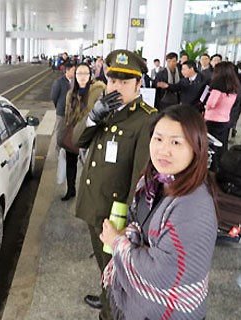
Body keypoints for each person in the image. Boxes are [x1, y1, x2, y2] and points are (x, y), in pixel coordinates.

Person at [100, 105, 217, 319]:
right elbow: (138, 221)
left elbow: (163, 273)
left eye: (176, 142)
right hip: (134, 304)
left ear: (196, 147)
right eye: (158, 138)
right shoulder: (155, 181)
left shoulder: (193, 207)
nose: (163, 150)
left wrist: (118, 242)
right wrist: (132, 237)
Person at [72, 49, 157, 319]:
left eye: (124, 82)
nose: (116, 87)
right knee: (105, 265)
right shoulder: (104, 109)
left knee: (118, 272)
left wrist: (131, 226)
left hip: (115, 215)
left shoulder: (146, 118)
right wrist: (93, 116)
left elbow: (140, 178)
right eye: (112, 81)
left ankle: (109, 313)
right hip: (93, 204)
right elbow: (76, 141)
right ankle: (106, 295)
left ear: (138, 84)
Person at [62, 63, 105, 201]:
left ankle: (88, 194)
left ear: (90, 75)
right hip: (74, 132)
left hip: (90, 133)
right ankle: (70, 189)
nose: (82, 77)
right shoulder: (70, 93)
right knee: (70, 162)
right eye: (79, 73)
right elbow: (67, 114)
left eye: (85, 73)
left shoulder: (98, 90)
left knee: (89, 165)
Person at [204, 61, 240, 171]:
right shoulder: (234, 85)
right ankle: (221, 167)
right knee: (221, 144)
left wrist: (206, 106)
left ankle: (212, 168)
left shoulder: (218, 84)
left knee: (211, 145)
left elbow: (211, 103)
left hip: (212, 119)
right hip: (225, 119)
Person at [50, 63, 75, 150]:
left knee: (69, 130)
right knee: (60, 130)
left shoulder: (74, 82)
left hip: (72, 112)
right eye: (73, 70)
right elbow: (54, 97)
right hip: (62, 111)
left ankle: (67, 146)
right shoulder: (59, 82)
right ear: (67, 71)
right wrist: (59, 105)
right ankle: (59, 147)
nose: (74, 72)